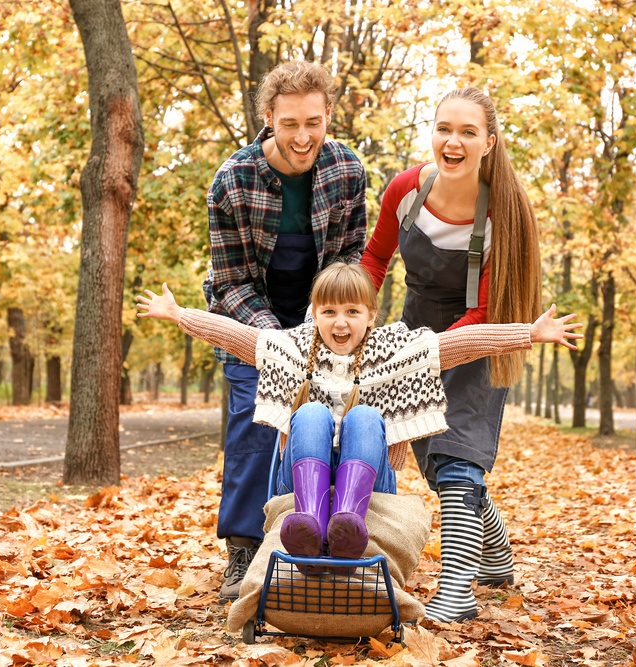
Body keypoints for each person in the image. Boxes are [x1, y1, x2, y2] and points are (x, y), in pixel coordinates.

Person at [137, 263, 582, 563]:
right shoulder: (295, 348)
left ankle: (348, 520)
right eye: (329, 311)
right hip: (299, 484)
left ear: (371, 315)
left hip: (372, 485)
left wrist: (530, 333)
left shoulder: (394, 352)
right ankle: (309, 520)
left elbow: (458, 345)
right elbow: (235, 335)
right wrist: (179, 314)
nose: (340, 322)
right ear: (315, 314)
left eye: (352, 311)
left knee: (366, 418)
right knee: (309, 413)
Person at [361, 87, 543, 623]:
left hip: (481, 335)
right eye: (444, 128)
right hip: (418, 327)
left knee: (459, 456)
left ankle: (456, 590)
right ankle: (496, 553)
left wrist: (426, 357)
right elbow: (375, 260)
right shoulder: (406, 190)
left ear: (489, 141)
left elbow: (486, 311)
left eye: (468, 132)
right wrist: (351, 319)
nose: (454, 141)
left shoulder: (504, 212)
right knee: (436, 465)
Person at [202, 60, 368, 598]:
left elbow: (349, 257)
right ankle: (244, 549)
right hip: (252, 316)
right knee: (254, 426)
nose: (303, 136)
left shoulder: (347, 171)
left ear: (327, 117)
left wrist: (325, 326)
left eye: (314, 122)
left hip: (325, 320)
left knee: (330, 425)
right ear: (268, 116)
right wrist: (276, 340)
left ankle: (321, 538)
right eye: (290, 122)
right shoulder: (233, 178)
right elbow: (229, 281)